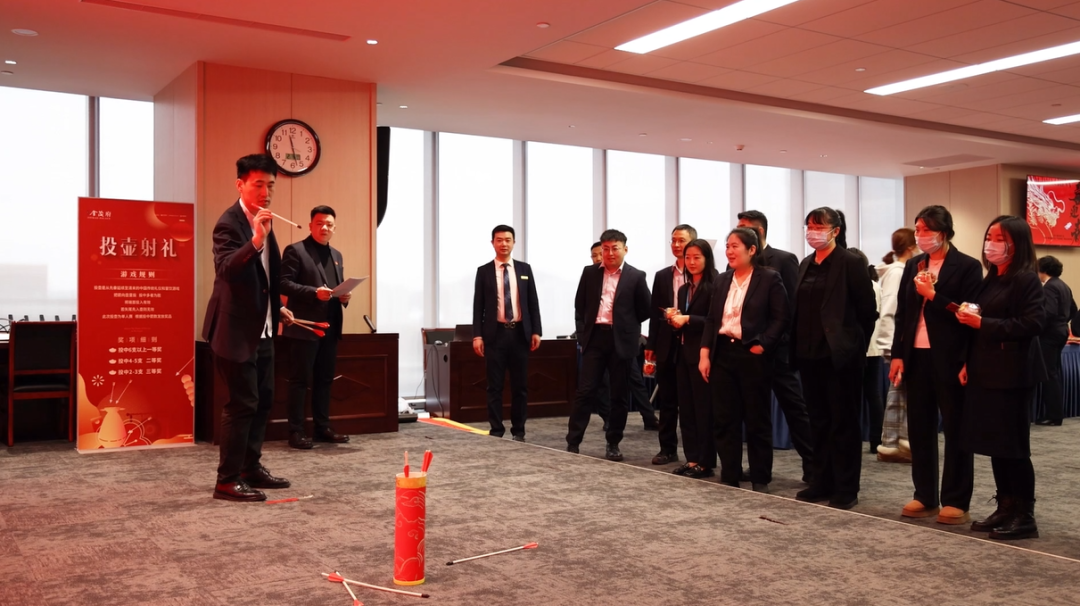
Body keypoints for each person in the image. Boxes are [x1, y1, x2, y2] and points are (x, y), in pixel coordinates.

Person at [203, 154, 295, 502]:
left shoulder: (264, 220)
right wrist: (256, 240)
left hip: (263, 329)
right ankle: (226, 480)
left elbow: (265, 279)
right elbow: (227, 270)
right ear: (240, 185)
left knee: (263, 401)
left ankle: (249, 467)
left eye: (270, 185)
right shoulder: (229, 223)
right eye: (258, 185)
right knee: (241, 404)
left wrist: (277, 310)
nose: (265, 192)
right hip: (234, 332)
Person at [890, 205, 983, 525]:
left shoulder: (967, 266)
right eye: (917, 230)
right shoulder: (914, 264)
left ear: (943, 233)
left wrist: (934, 295)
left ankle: (956, 499)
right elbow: (903, 312)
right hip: (916, 353)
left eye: (926, 230)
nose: (920, 236)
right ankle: (925, 495)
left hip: (951, 356)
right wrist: (898, 354)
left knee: (956, 428)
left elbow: (970, 313)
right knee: (920, 428)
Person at [958, 215, 1045, 540]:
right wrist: (967, 360)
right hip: (986, 370)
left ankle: (1024, 515)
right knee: (996, 444)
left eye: (999, 238)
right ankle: (1005, 505)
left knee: (1013, 445)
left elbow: (1033, 323)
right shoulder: (991, 278)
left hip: (1013, 374)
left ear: (1016, 244)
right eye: (989, 236)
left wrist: (983, 324)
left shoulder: (1026, 279)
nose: (991, 243)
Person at [792, 208, 877, 510]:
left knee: (843, 423)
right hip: (808, 355)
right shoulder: (805, 264)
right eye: (809, 226)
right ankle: (821, 481)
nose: (813, 231)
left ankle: (846, 487)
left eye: (819, 226)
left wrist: (851, 345)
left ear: (836, 231)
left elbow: (868, 312)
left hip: (840, 358)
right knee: (818, 421)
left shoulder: (850, 263)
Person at [700, 229, 787, 492]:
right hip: (723, 353)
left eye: (735, 246)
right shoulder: (722, 279)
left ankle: (760, 476)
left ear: (752, 250)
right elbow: (712, 319)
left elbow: (781, 317)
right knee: (725, 418)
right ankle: (730, 473)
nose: (729, 251)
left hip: (751, 354)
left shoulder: (769, 278)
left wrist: (763, 344)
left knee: (756, 418)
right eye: (727, 246)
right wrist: (705, 354)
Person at [736, 210, 814, 482]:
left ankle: (813, 466)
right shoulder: (736, 264)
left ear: (758, 232)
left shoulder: (783, 259)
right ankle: (760, 468)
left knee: (795, 409)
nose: (738, 233)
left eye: (744, 228)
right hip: (748, 351)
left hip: (778, 351)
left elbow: (791, 307)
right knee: (755, 413)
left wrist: (775, 342)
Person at [566, 229, 651, 461]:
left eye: (615, 248)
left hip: (621, 341)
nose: (610, 253)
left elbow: (645, 309)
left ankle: (613, 443)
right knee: (585, 391)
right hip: (595, 338)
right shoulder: (590, 272)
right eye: (606, 249)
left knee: (619, 395)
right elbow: (580, 305)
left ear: (625, 249)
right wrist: (583, 335)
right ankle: (573, 441)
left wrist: (625, 324)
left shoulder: (636, 276)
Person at [280, 205, 351, 449]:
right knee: (299, 381)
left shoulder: (337, 255)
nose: (324, 228)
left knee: (324, 379)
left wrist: (343, 296)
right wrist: (313, 293)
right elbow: (283, 283)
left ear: (334, 228)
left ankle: (322, 428)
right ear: (311, 225)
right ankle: (296, 432)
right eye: (319, 223)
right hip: (304, 327)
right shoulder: (296, 250)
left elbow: (335, 288)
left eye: (329, 224)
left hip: (330, 327)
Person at [471, 225, 543, 441]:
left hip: (520, 334)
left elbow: (532, 302)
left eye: (508, 240)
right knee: (494, 386)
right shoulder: (484, 271)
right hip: (495, 335)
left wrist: (536, 331)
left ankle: (519, 430)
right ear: (492, 242)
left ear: (514, 242)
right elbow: (478, 306)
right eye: (499, 240)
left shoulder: (524, 269)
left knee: (520, 386)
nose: (504, 244)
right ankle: (496, 430)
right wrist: (477, 335)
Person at [664, 239, 718, 478]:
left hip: (704, 355)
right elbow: (684, 321)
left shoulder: (714, 286)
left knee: (703, 410)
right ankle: (692, 458)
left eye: (697, 257)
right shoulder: (684, 289)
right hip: (683, 352)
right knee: (685, 409)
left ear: (707, 259)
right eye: (688, 258)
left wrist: (688, 319)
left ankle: (705, 462)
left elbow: (714, 321)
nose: (692, 262)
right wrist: (675, 319)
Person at [646, 224, 697, 465]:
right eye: (673, 240)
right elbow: (654, 314)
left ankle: (695, 454)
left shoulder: (705, 274)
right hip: (667, 343)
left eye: (681, 240)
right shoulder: (663, 275)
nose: (676, 245)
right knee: (667, 401)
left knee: (690, 402)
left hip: (692, 342)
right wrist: (651, 347)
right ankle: (667, 449)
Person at [875, 228, 916, 463]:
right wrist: (891, 346)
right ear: (911, 247)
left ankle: (895, 442)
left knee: (899, 393)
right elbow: (890, 309)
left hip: (897, 342)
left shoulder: (897, 271)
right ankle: (894, 442)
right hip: (896, 343)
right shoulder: (898, 272)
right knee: (900, 394)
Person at [851, 248, 884, 455]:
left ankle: (854, 438)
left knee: (853, 395)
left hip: (858, 347)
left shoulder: (856, 286)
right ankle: (875, 439)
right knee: (873, 394)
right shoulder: (876, 285)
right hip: (874, 347)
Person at [1035, 255, 1075, 426]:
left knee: (1048, 373)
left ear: (1042, 269)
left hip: (1049, 334)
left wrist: (1036, 326)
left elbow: (1049, 312)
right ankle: (1055, 413)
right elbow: (1074, 309)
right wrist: (1062, 322)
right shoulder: (1064, 286)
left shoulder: (1050, 287)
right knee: (1053, 372)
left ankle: (1053, 415)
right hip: (1061, 332)